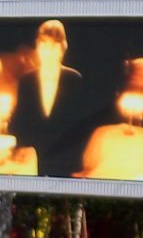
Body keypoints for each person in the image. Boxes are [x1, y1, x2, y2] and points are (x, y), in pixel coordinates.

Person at [8, 20, 95, 180]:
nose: (48, 51)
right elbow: (18, 122)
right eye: (43, 45)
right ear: (37, 47)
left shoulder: (74, 79)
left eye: (54, 46)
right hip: (31, 166)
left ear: (62, 49)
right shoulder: (26, 80)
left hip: (67, 165)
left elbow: (81, 127)